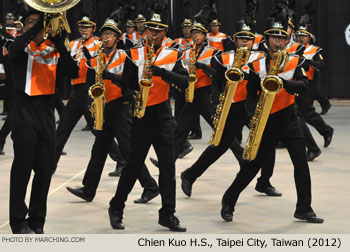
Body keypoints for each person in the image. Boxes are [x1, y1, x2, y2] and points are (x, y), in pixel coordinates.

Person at [220, 1, 324, 224]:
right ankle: (228, 200)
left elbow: (304, 86)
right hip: (266, 120)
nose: (278, 41)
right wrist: (250, 114)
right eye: (274, 38)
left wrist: (283, 84)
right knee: (252, 166)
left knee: (301, 164)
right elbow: (249, 92)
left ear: (287, 40)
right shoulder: (256, 64)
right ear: (267, 40)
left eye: (282, 38)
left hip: (290, 118)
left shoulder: (295, 61)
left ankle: (304, 208)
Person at [108, 1, 188, 231]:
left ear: (164, 32)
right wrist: (131, 91)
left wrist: (163, 73)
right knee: (132, 166)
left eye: (159, 30)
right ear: (145, 31)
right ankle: (116, 208)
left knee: (168, 168)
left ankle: (167, 214)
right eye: (151, 30)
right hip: (140, 116)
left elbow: (184, 81)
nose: (154, 34)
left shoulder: (173, 54)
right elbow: (125, 83)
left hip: (163, 114)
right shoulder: (133, 53)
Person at [66, 12, 159, 204]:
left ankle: (150, 186)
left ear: (117, 39)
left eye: (110, 34)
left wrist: (109, 76)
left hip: (121, 108)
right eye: (104, 34)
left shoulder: (125, 57)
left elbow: (131, 84)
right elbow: (91, 85)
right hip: (104, 108)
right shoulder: (95, 59)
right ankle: (88, 189)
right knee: (98, 150)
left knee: (128, 150)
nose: (106, 37)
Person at [180, 0, 265, 198]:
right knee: (219, 146)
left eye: (248, 39)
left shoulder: (261, 58)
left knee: (265, 144)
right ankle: (190, 174)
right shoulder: (224, 58)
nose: (245, 42)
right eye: (241, 39)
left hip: (253, 107)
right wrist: (219, 101)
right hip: (233, 107)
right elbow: (216, 83)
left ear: (253, 41)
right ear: (235, 39)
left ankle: (264, 181)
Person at [8, 9, 79, 234]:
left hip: (47, 113)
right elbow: (13, 53)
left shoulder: (52, 49)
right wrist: (37, 27)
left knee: (44, 169)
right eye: (31, 24)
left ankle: (37, 220)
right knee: (22, 169)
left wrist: (60, 44)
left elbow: (72, 71)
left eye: (40, 24)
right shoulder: (19, 47)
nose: (37, 27)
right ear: (25, 27)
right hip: (24, 112)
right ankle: (18, 222)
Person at [53, 13, 121, 174]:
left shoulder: (99, 43)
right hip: (76, 90)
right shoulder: (72, 44)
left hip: (90, 90)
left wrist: (88, 55)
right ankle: (50, 164)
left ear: (93, 28)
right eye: (82, 27)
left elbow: (104, 61)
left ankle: (121, 160)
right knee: (63, 128)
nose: (84, 29)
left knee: (99, 130)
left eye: (88, 27)